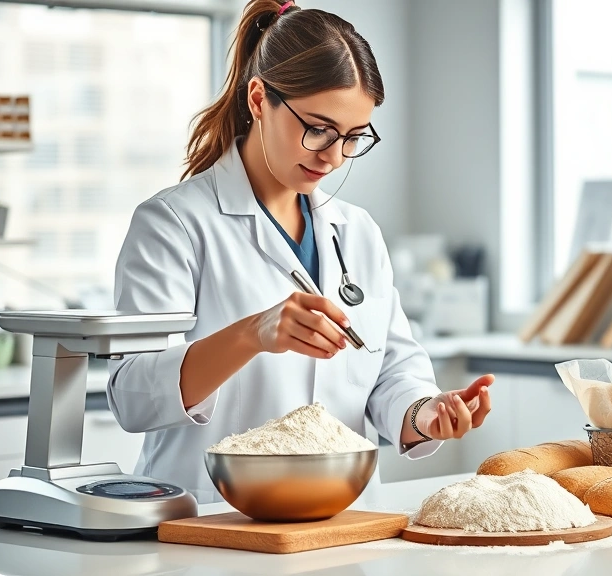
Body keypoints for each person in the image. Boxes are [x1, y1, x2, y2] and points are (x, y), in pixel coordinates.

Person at [107, 0, 494, 503]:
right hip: (214, 520)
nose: (333, 156)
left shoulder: (357, 232)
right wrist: (254, 333)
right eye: (318, 129)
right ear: (258, 99)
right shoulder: (174, 224)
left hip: (344, 524)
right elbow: (132, 395)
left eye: (353, 137)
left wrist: (426, 413)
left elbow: (393, 371)